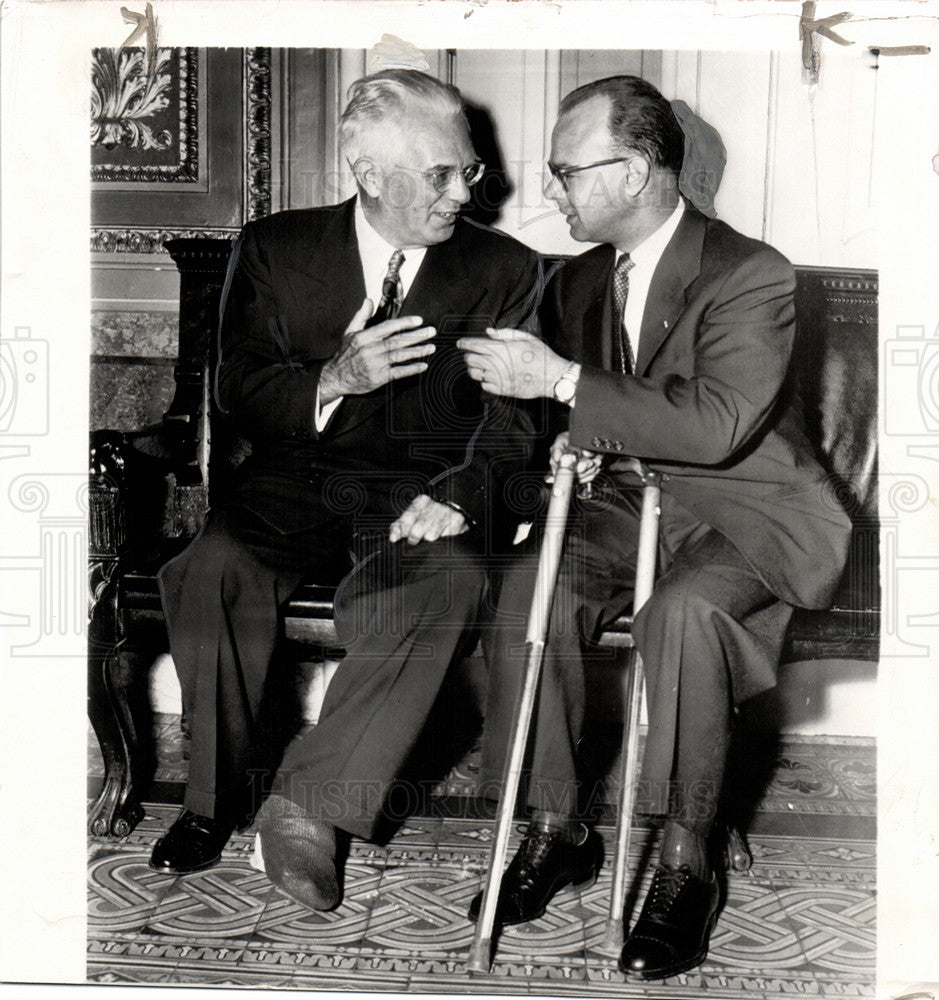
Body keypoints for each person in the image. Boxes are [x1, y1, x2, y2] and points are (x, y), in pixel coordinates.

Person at [458, 75, 851, 980]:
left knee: (685, 615)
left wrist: (562, 385)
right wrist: (563, 444)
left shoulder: (748, 272)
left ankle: (686, 857)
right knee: (529, 592)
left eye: (565, 171)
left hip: (750, 507)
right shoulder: (579, 278)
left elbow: (713, 422)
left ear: (634, 171)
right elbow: (566, 411)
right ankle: (556, 828)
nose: (551, 191)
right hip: (633, 501)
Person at [149, 69, 541, 913]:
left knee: (449, 584)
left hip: (420, 490)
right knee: (210, 569)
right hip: (297, 477)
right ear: (369, 174)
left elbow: (515, 423)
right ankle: (211, 800)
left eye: (468, 169)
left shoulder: (504, 268)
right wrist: (330, 377)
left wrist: (467, 493)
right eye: (442, 173)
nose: (464, 190)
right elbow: (240, 387)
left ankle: (310, 809)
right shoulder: (277, 247)